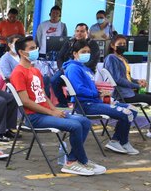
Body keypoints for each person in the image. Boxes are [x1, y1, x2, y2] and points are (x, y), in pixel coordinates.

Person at [11, 36, 106, 176]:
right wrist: (51, 113)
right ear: (21, 52)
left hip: (46, 113)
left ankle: (75, 159)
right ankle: (76, 161)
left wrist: (54, 109)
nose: (35, 51)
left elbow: (43, 95)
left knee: (84, 121)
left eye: (35, 48)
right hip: (34, 117)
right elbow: (25, 101)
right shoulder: (18, 72)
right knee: (75, 126)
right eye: (31, 49)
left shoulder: (35, 70)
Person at [63, 40, 139, 155]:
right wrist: (97, 94)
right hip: (86, 105)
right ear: (75, 53)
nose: (87, 54)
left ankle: (116, 140)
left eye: (88, 52)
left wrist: (100, 92)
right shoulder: (73, 68)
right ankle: (121, 141)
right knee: (127, 112)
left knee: (133, 109)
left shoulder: (84, 68)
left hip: (95, 102)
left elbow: (89, 87)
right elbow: (78, 90)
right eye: (83, 51)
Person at [105, 35, 151, 141]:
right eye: (120, 44)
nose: (123, 46)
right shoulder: (111, 58)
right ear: (112, 45)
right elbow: (118, 80)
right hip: (125, 95)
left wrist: (137, 81)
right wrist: (137, 85)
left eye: (124, 44)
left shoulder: (122, 58)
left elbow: (127, 78)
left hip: (131, 92)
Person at [53, 24, 101, 107]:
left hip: (84, 70)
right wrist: (62, 68)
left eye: (82, 31)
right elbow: (60, 57)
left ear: (87, 32)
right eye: (77, 31)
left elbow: (93, 61)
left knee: (79, 85)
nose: (79, 33)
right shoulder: (69, 42)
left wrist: (79, 69)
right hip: (67, 68)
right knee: (54, 80)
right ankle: (63, 102)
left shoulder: (92, 44)